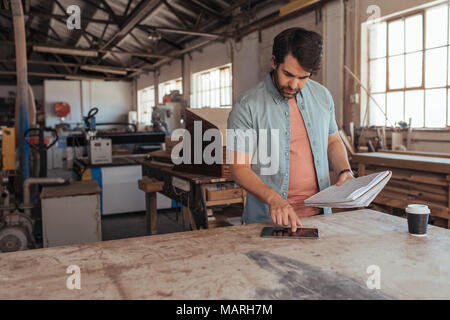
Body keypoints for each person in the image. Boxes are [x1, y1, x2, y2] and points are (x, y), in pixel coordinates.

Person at [227, 27, 354, 232]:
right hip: (267, 221)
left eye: (303, 77)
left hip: (319, 217)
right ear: (274, 61)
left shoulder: (323, 97)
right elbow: (238, 168)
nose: (294, 84)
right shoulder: (245, 106)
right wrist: (273, 199)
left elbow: (332, 141)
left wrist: (344, 170)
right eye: (288, 74)